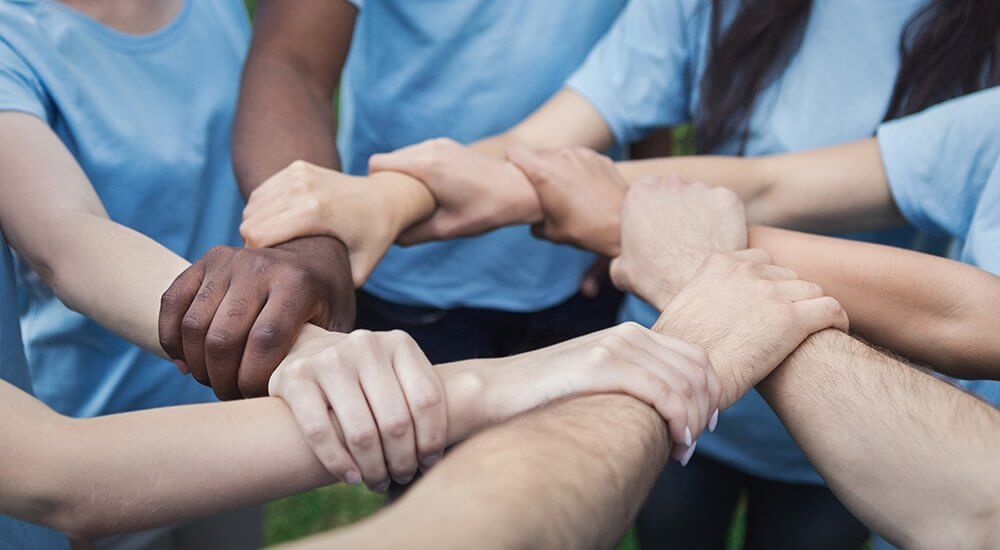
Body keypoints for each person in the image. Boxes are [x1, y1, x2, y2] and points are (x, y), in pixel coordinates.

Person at [239, 1, 998, 544]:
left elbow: (971, 317)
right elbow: (768, 182)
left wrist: (639, 231)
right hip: (686, 378)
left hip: (859, 427)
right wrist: (395, 193)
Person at [222, 0, 635, 369]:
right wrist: (309, 242)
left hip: (581, 268)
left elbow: (644, 63)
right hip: (408, 283)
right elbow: (292, 60)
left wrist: (621, 207)